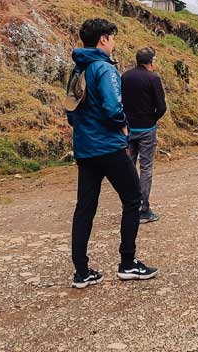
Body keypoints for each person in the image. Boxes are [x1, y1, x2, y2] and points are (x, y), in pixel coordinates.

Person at [67, 18, 158, 288]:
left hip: (85, 148)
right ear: (104, 39)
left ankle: (82, 272)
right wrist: (123, 128)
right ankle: (127, 263)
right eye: (112, 37)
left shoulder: (77, 69)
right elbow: (112, 108)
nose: (114, 42)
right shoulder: (104, 69)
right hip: (109, 146)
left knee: (85, 207)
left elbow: (70, 110)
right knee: (132, 200)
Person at [122, 46, 168, 223]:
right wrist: (152, 119)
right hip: (146, 129)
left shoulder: (125, 76)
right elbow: (161, 107)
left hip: (128, 129)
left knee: (129, 167)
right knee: (146, 168)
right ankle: (144, 209)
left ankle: (130, 206)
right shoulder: (153, 78)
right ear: (150, 61)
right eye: (155, 60)